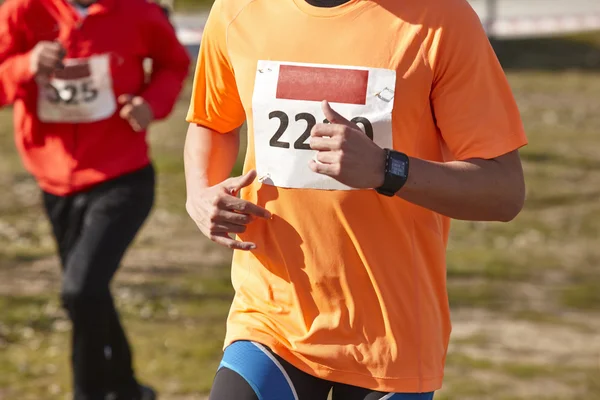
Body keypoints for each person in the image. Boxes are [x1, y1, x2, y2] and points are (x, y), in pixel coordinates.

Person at [184, 0, 527, 398]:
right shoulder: (238, 9)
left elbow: (504, 192)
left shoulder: (441, 17)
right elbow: (212, 120)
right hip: (270, 317)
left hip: (389, 336)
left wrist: (386, 169)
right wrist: (199, 192)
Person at [0, 0, 190, 398]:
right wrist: (25, 64)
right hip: (54, 182)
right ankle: (127, 389)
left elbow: (174, 63)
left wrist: (150, 104)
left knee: (80, 290)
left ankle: (87, 393)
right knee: (88, 293)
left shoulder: (138, 11)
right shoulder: (22, 11)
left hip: (122, 178)